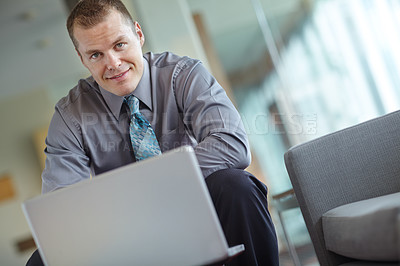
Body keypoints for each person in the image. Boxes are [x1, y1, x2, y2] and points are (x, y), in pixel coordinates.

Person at [26, 0, 278, 265]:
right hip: (128, 235)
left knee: (235, 185)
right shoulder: (69, 118)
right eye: (96, 55)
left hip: (199, 206)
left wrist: (153, 187)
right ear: (82, 58)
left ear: (139, 33)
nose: (113, 63)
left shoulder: (183, 75)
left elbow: (232, 145)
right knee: (43, 259)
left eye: (119, 44)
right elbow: (61, 211)